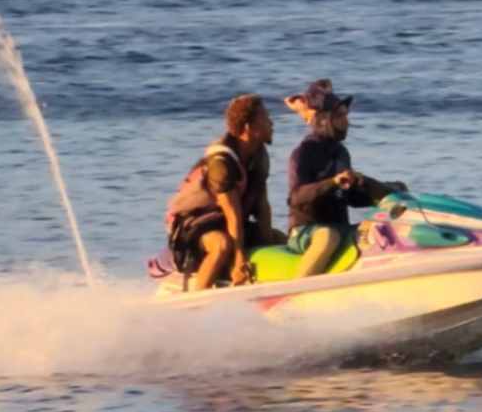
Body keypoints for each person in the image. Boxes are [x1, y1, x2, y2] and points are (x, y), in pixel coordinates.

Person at [286, 81, 406, 276]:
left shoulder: (341, 152)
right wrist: (331, 183)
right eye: (340, 116)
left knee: (380, 229)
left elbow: (351, 198)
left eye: (346, 116)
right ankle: (294, 295)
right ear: (324, 119)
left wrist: (384, 193)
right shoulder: (302, 154)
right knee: (328, 236)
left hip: (340, 228)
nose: (347, 122)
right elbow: (296, 198)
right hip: (305, 231)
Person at [166, 94, 279, 291]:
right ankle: (196, 302)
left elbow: (262, 206)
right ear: (248, 128)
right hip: (192, 227)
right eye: (265, 118)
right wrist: (239, 259)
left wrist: (268, 241)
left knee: (281, 241)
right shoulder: (221, 162)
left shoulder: (258, 154)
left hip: (228, 223)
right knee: (222, 245)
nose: (272, 122)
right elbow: (232, 214)